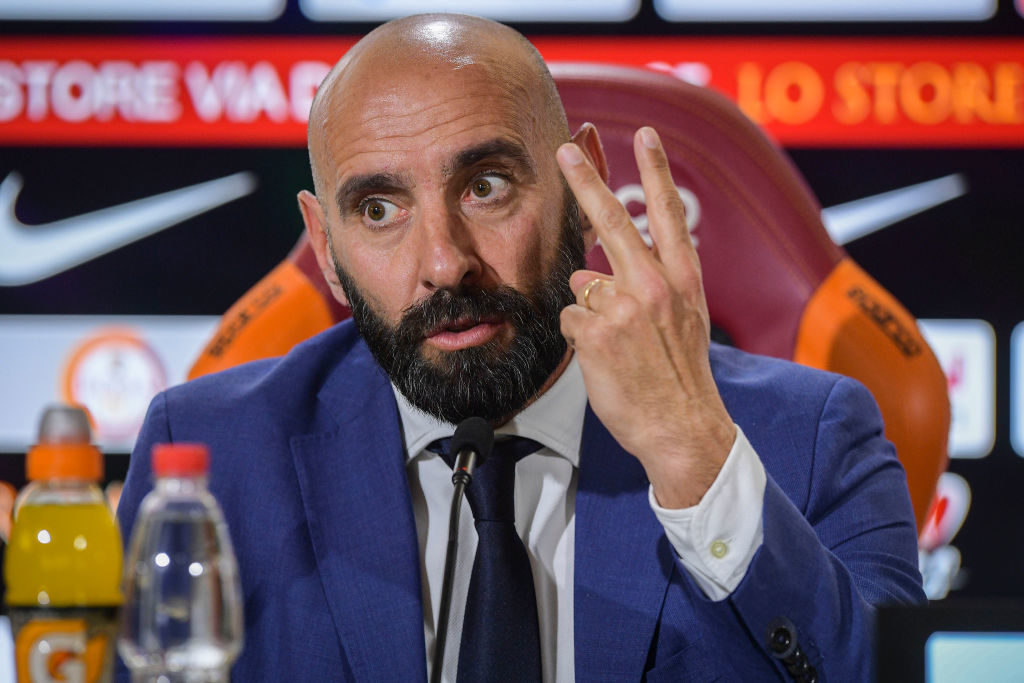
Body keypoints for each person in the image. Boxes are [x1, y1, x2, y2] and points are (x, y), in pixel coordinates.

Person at [116, 13, 926, 682]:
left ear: (585, 187)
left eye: (486, 186)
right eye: (378, 210)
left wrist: (692, 454)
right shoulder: (212, 455)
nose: (445, 262)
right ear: (326, 248)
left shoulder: (812, 436)